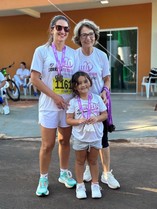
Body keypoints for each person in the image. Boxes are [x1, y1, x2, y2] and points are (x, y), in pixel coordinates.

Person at [30, 15, 76, 197]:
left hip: (68, 105)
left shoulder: (73, 53)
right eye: (59, 28)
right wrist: (55, 97)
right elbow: (35, 78)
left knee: (65, 141)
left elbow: (77, 78)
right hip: (49, 105)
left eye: (66, 29)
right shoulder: (41, 51)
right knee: (48, 144)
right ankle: (43, 178)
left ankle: (64, 173)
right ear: (52, 29)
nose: (62, 32)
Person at [72, 19, 120, 189]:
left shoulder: (101, 55)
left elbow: (107, 78)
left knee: (102, 140)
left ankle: (107, 173)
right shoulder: (74, 55)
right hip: (80, 105)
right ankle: (87, 169)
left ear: (95, 36)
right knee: (84, 138)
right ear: (79, 37)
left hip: (99, 104)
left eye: (91, 34)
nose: (88, 38)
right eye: (84, 35)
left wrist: (105, 92)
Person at [66, 71, 107, 199]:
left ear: (90, 82)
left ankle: (95, 184)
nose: (83, 85)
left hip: (95, 136)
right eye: (79, 83)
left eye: (85, 81)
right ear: (75, 87)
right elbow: (68, 119)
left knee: (93, 161)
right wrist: (78, 121)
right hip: (80, 137)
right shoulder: (73, 102)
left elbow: (105, 115)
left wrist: (96, 118)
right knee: (80, 161)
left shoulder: (97, 98)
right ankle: (80, 185)